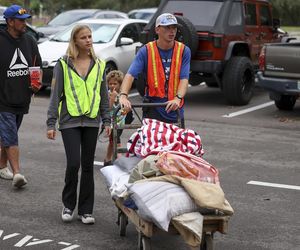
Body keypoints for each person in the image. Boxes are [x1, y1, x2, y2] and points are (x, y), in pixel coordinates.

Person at [46, 24, 111, 225]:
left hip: (92, 121)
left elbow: (103, 96)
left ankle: (86, 211)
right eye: (84, 37)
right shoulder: (63, 64)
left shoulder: (99, 64)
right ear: (75, 41)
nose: (88, 40)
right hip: (69, 121)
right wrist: (51, 123)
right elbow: (55, 95)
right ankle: (68, 205)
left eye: (90, 36)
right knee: (73, 163)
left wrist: (107, 119)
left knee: (88, 166)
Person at [119, 13, 191, 128]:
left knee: (175, 145)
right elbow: (130, 75)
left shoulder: (184, 50)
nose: (172, 31)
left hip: (174, 108)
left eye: (174, 28)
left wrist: (177, 99)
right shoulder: (146, 50)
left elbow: (184, 78)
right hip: (153, 108)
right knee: (151, 145)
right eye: (167, 27)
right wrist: (123, 96)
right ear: (157, 30)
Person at [0, 5, 42, 188]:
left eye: (25, 20)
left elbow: (36, 66)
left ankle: (1, 166)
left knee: (8, 135)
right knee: (10, 136)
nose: (25, 23)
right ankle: (17, 172)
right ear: (9, 22)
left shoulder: (30, 41)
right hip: (2, 98)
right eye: (21, 20)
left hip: (22, 98)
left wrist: (36, 83)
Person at [103, 70, 133, 166]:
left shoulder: (122, 96)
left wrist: (126, 110)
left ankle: (107, 159)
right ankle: (119, 158)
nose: (112, 86)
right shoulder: (107, 94)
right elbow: (108, 108)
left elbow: (123, 112)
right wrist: (112, 99)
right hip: (110, 122)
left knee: (113, 141)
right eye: (110, 83)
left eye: (115, 83)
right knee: (116, 140)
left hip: (120, 122)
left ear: (120, 84)